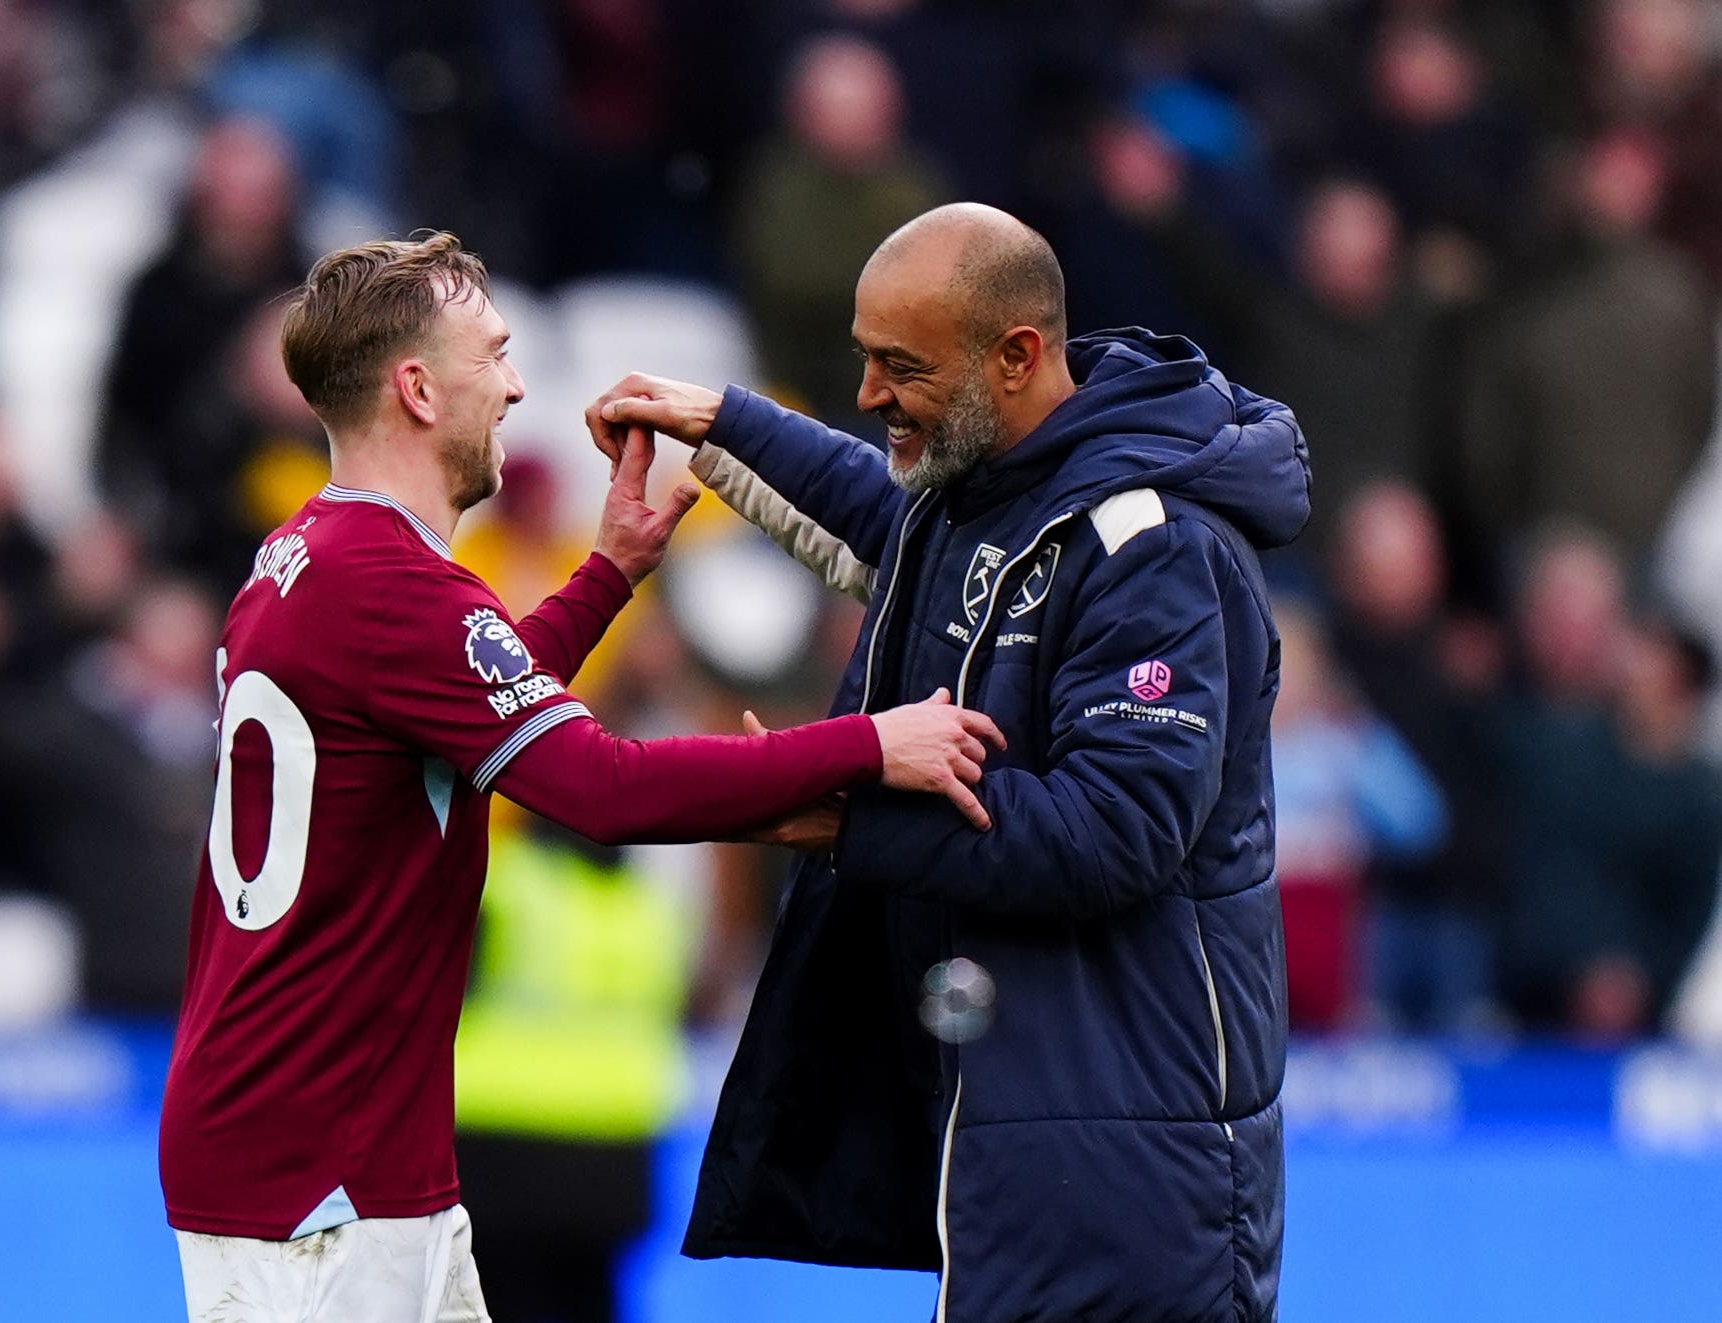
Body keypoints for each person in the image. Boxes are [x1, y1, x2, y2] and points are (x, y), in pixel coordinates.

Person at [157, 232, 1004, 1323]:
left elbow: (467, 705)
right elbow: (598, 787)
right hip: (318, 1173)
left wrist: (608, 574)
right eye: (494, 355)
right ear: (417, 388)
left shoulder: (302, 561)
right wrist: (866, 743)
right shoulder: (397, 588)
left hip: (320, 1144)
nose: (516, 387)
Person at [589, 203, 1307, 1322]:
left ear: (1016, 357)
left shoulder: (1154, 549)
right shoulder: (999, 495)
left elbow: (1112, 834)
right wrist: (720, 422)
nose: (869, 392)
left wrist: (846, 819)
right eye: (864, 358)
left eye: (898, 366)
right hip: (1031, 1150)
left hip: (1132, 1180)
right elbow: (896, 527)